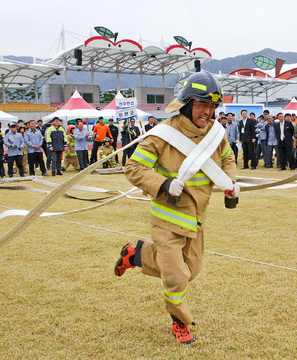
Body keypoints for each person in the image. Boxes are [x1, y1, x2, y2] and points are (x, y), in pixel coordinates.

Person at [114, 71, 237, 344]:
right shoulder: (162, 135)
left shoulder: (217, 134)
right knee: (177, 278)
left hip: (196, 220)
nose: (208, 112)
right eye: (203, 105)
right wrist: (163, 183)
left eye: (213, 106)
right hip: (166, 220)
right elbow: (133, 168)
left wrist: (230, 181)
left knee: (190, 271)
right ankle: (180, 322)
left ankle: (135, 255)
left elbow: (228, 160)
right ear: (187, 103)